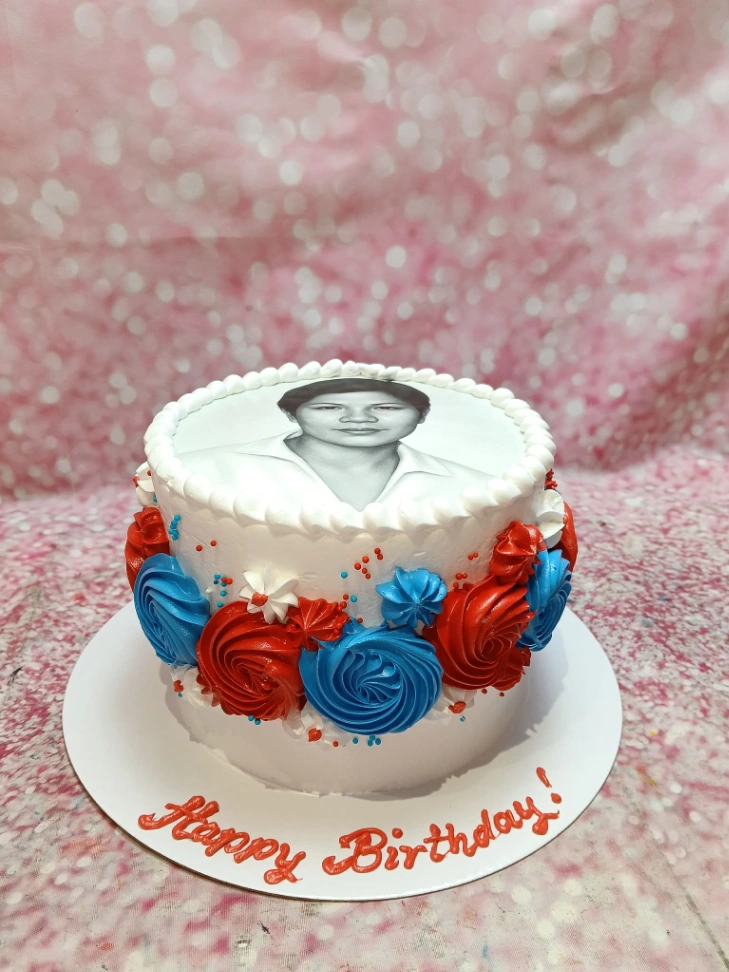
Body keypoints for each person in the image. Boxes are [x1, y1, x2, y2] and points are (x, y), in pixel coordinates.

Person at [182, 378, 492, 511]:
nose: (359, 419)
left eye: (386, 408)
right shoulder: (198, 470)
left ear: (421, 415)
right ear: (290, 413)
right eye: (329, 408)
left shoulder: (482, 489)